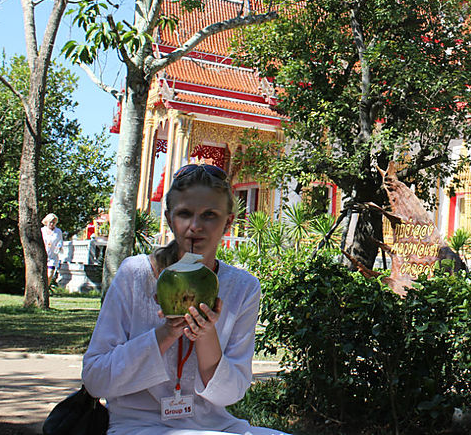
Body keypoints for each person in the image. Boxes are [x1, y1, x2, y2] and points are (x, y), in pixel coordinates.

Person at [82, 164, 288, 435]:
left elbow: (232, 393)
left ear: (229, 222)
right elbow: (96, 380)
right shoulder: (135, 274)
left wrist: (205, 333)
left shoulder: (242, 287)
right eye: (185, 214)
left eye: (209, 215)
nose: (195, 227)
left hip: (214, 424)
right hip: (138, 425)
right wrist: (167, 332)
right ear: (169, 219)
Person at [42, 213, 64, 284]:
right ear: (46, 222)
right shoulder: (42, 230)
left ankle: (46, 287)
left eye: (54, 222)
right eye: (50, 222)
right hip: (43, 255)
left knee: (50, 273)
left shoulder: (58, 231)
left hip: (53, 256)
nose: (52, 224)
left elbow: (60, 241)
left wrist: (58, 247)